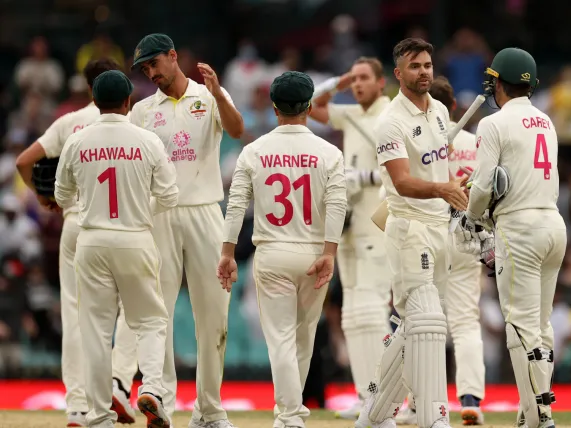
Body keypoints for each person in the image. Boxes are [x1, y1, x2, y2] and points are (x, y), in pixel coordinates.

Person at [113, 33, 245, 428]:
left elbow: (237, 130)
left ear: (174, 57)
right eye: (145, 69)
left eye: (155, 63)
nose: (151, 73)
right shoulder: (141, 111)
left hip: (205, 210)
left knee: (214, 315)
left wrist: (220, 94)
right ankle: (161, 401)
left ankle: (209, 410)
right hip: (160, 216)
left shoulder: (209, 97)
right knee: (160, 313)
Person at [217, 71, 347, 428]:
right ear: (308, 107)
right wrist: (331, 253)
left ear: (274, 108)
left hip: (272, 252)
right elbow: (337, 205)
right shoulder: (329, 152)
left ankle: (289, 415)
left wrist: (227, 252)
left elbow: (235, 206)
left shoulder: (254, 150)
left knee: (282, 341)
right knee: (304, 339)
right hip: (313, 252)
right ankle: (291, 414)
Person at [14, 58, 139, 426]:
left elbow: (24, 161)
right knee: (135, 311)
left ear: (88, 87)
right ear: (122, 88)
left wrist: (45, 198)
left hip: (75, 228)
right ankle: (117, 383)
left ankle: (78, 406)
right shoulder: (132, 123)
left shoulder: (69, 123)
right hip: (121, 229)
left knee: (76, 315)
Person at [54, 70, 178, 428]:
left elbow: (62, 195)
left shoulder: (77, 140)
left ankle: (98, 417)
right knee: (150, 321)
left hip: (90, 240)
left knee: (93, 328)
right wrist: (139, 209)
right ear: (128, 102)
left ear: (94, 99)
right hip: (135, 237)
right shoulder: (147, 140)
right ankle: (152, 389)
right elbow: (169, 195)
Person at [355, 38, 468, 428]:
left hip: (440, 226)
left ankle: (374, 412)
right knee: (429, 325)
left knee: (412, 328)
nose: (424, 71)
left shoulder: (438, 111)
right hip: (409, 228)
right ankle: (435, 417)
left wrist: (454, 189)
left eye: (427, 64)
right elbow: (402, 182)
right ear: (398, 74)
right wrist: (443, 189)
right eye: (415, 66)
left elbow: (440, 170)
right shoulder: (390, 121)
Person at [461, 47, 565, 428]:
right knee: (540, 325)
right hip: (554, 225)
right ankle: (531, 412)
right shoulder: (546, 122)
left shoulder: (493, 124)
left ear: (496, 83)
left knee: (520, 328)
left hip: (520, 229)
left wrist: (471, 219)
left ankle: (540, 416)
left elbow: (486, 183)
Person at [308, 56, 392, 420]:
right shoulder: (353, 114)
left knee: (374, 312)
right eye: (354, 79)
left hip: (379, 223)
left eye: (363, 78)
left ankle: (383, 396)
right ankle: (364, 394)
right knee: (352, 316)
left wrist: (366, 177)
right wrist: (338, 81)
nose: (357, 85)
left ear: (381, 82)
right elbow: (311, 106)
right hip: (350, 225)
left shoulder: (391, 117)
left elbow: (406, 169)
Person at [428, 76, 486, 426]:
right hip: (466, 234)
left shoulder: (418, 143)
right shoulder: (475, 142)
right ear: (451, 107)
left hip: (428, 236)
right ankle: (471, 400)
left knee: (420, 323)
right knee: (465, 323)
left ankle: (418, 402)